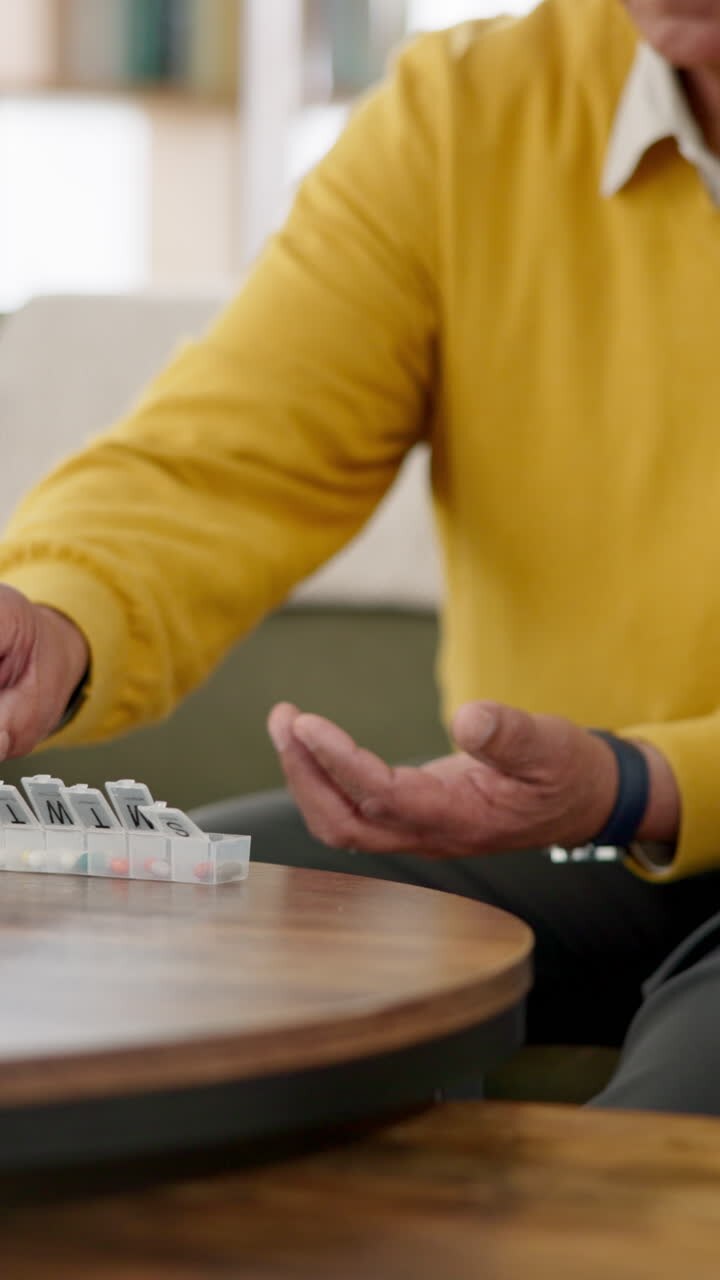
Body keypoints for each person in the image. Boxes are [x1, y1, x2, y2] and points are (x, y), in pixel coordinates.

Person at [3, 0, 720, 1112]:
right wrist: (59, 615)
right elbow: (234, 451)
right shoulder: (469, 107)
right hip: (541, 829)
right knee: (72, 923)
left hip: (615, 799)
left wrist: (642, 779)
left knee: (665, 1168)